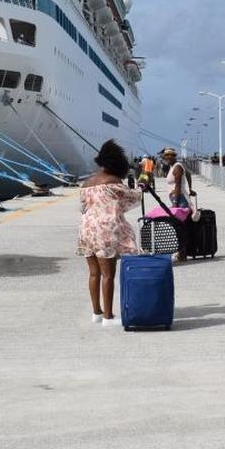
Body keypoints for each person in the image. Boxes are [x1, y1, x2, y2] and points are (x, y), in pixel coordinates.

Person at [77, 139, 140, 327]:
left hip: (86, 230)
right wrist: (140, 187)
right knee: (108, 275)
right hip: (105, 231)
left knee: (94, 273)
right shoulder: (113, 181)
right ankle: (108, 317)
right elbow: (132, 198)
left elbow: (83, 207)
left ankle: (96, 313)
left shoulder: (86, 183)